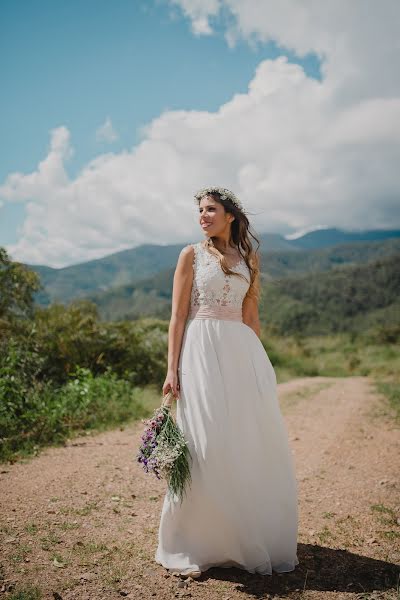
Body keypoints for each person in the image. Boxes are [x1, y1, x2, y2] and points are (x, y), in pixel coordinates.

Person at [155, 187, 299, 579]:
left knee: (243, 439)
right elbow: (177, 317)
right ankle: (198, 542)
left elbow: (251, 317)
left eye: (210, 209)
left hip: (241, 352)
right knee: (204, 440)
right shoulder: (191, 255)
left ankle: (241, 536)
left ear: (230, 215)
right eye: (199, 210)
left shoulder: (249, 258)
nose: (203, 216)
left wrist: (260, 365)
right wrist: (172, 370)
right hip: (199, 350)